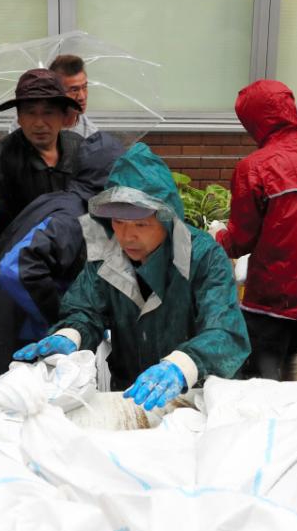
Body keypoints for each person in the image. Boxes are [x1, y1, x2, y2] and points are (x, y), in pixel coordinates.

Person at [13, 143, 249, 410]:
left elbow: (225, 331)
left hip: (197, 396)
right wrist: (70, 335)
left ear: (166, 218)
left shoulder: (203, 257)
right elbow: (85, 311)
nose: (127, 236)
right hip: (129, 394)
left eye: (141, 224)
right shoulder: (108, 257)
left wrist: (181, 366)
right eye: (118, 222)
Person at [0, 133, 125, 388]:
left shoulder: (61, 201)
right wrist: (62, 317)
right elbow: (16, 269)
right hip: (18, 343)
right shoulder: (73, 219)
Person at [207, 79, 297, 380]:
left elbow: (242, 238)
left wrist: (216, 239)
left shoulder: (254, 169)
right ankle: (293, 412)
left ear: (254, 120)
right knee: (295, 356)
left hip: (275, 294)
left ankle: (269, 423)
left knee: (261, 376)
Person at [0, 68, 84, 252]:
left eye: (48, 112)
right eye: (30, 113)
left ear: (62, 116)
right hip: (14, 267)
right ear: (19, 117)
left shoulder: (81, 149)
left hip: (70, 263)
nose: (39, 123)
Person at [49, 54, 98, 139]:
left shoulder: (90, 135)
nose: (82, 97)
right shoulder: (31, 124)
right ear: (55, 92)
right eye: (74, 90)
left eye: (84, 87)